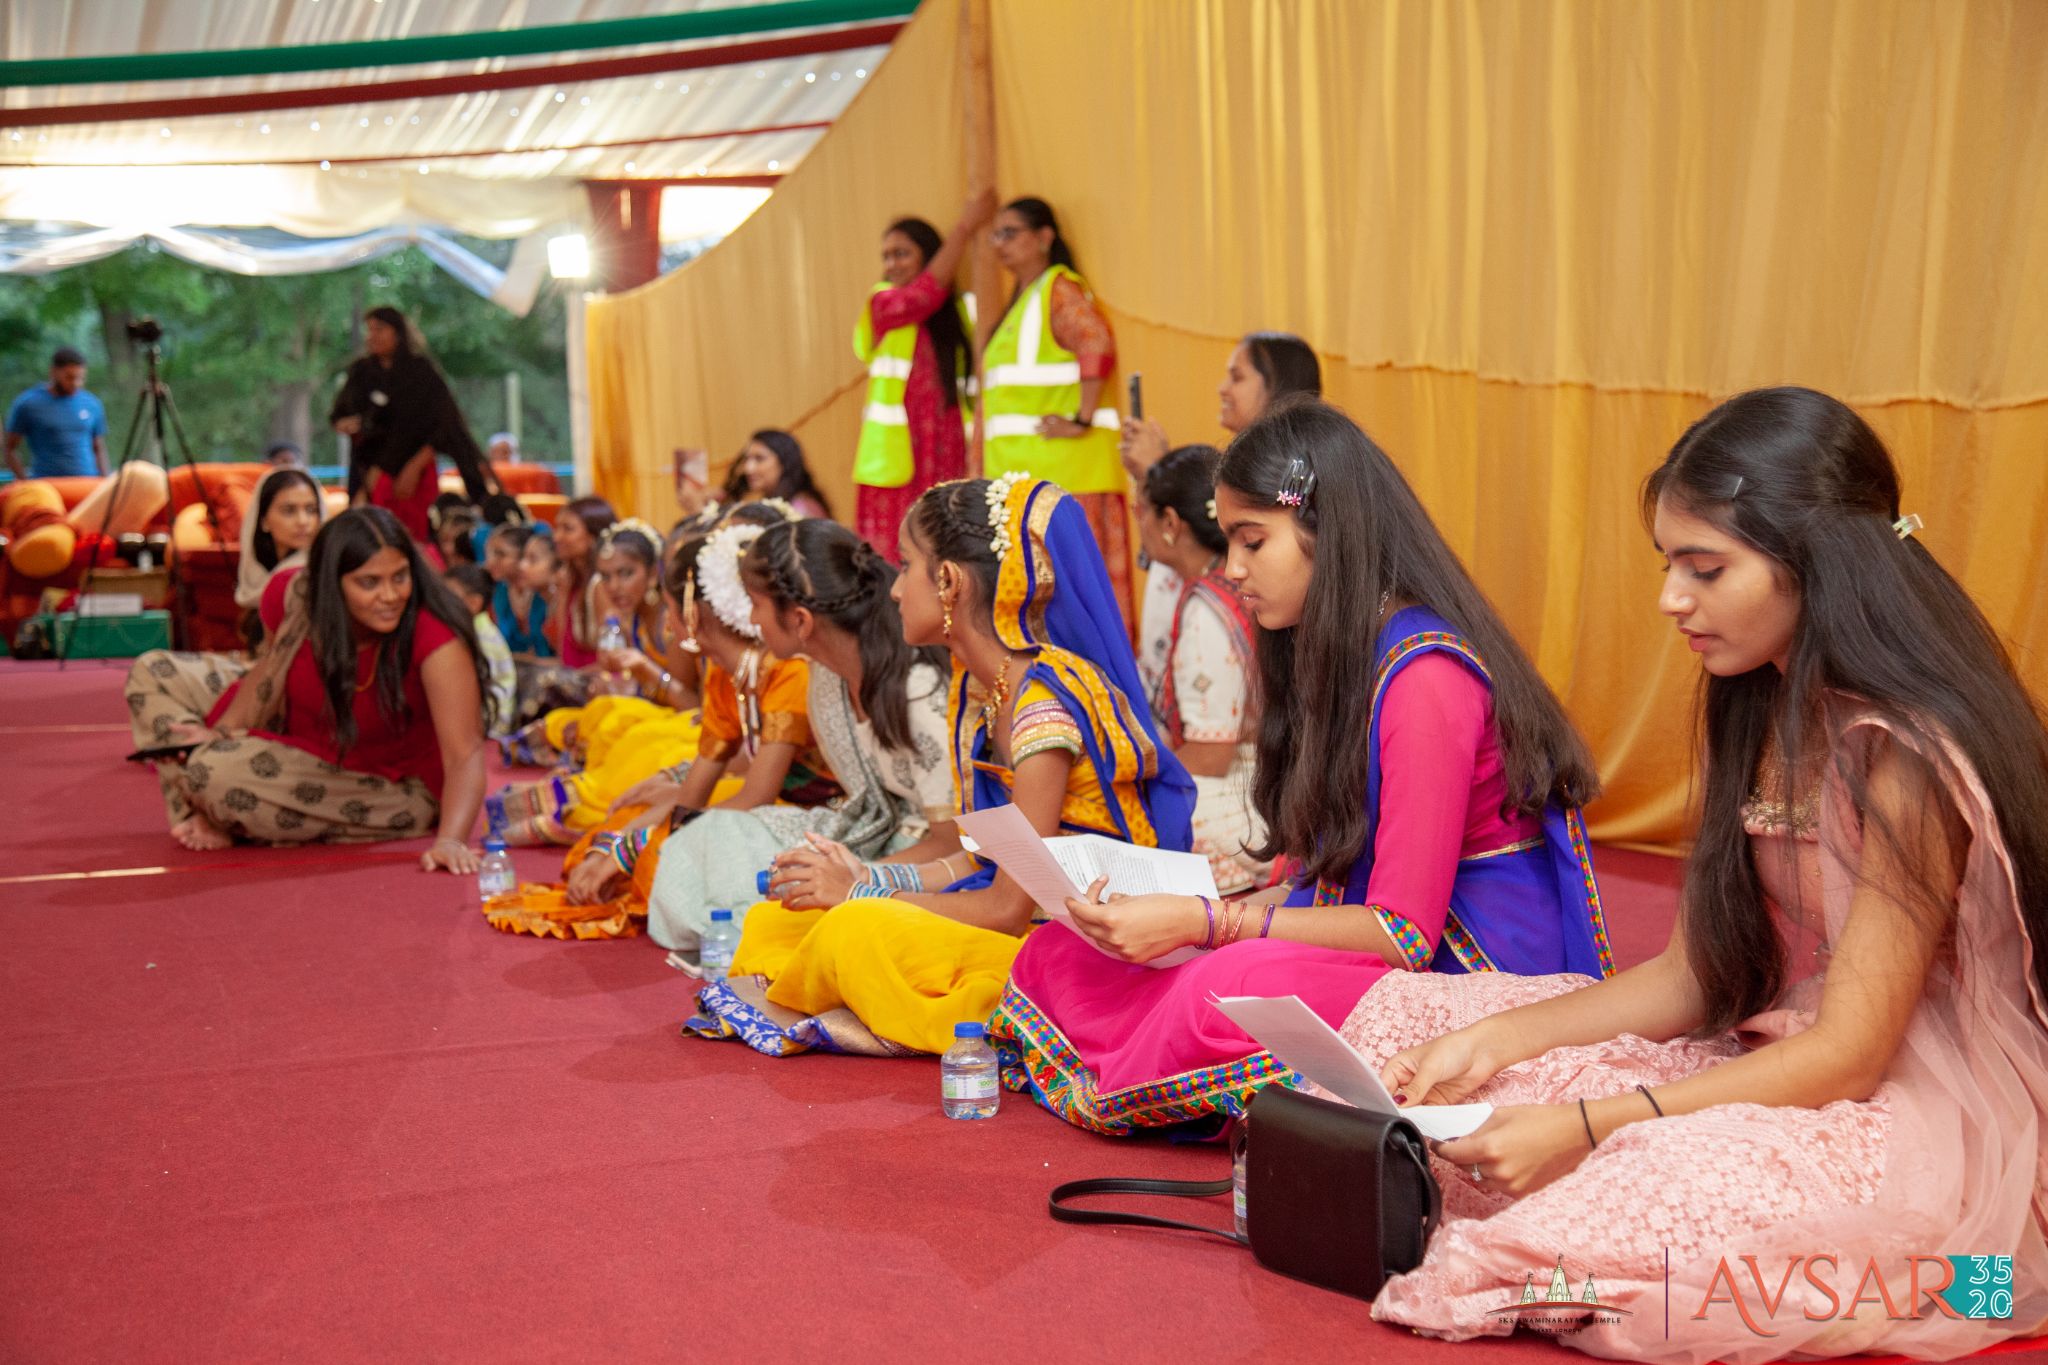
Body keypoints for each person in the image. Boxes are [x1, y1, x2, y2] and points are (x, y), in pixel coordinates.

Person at [1337, 388, 2048, 1359]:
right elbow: (1695, 975)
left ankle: (1577, 1228)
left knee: (1648, 1192)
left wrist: (1581, 1126)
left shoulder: (1902, 758)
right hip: (1781, 1047)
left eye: (1704, 568)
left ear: (1816, 567)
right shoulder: (1751, 698)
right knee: (1408, 1020)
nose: (1671, 598)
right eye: (1669, 564)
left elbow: (1849, 1057)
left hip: (1912, 1108)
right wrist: (1500, 1035)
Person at [989, 401, 1613, 1135]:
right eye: (1229, 541)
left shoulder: (1426, 676)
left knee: (1223, 985)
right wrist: (1198, 917)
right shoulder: (1337, 646)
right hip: (1367, 934)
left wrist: (1211, 921)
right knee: (1062, 947)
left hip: (1468, 966)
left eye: (1254, 540)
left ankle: (1145, 1065)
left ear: (1330, 533)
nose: (1232, 568)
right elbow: (1335, 870)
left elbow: (1403, 933)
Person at [689, 475, 1197, 1058]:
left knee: (855, 931)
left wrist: (858, 895)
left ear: (949, 583)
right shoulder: (986, 691)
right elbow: (981, 856)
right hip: (1009, 911)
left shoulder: (1042, 710)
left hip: (1066, 943)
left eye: (906, 567)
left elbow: (1007, 908)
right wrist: (873, 877)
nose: (896, 589)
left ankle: (889, 1011)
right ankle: (861, 1004)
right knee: (775, 923)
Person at [483, 520, 838, 935]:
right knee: (624, 826)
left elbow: (755, 795)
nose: (669, 623)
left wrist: (637, 847)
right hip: (753, 805)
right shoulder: (724, 676)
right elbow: (692, 796)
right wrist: (623, 842)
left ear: (692, 613)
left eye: (672, 609)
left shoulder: (789, 672)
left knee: (658, 859)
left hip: (805, 813)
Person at [632, 519, 956, 957]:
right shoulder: (826, 676)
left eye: (756, 604)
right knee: (709, 837)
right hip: (870, 829)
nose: (749, 619)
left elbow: (952, 844)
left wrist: (859, 877)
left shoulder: (915, 694)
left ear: (800, 620)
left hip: (928, 861)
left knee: (779, 917)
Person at [131, 506, 492, 871]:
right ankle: (205, 810)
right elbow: (269, 673)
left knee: (212, 770)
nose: (390, 595)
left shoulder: (435, 636)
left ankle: (215, 806)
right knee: (153, 671)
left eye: (400, 577)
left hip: (386, 785)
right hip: (296, 732)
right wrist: (221, 731)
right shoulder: (295, 595)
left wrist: (450, 840)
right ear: (332, 584)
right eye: (369, 582)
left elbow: (464, 755)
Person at [1120, 332, 1322, 696]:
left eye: (1237, 377)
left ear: (1278, 386)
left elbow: (1203, 548)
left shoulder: (1301, 474)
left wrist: (1158, 476)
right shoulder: (1237, 471)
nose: (1222, 388)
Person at [980, 197, 1133, 619]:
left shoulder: (1056, 288)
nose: (1000, 243)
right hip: (1034, 479)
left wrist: (1081, 418)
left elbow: (1095, 341)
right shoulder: (1024, 299)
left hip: (1068, 480)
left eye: (1010, 232)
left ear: (1045, 237)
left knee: (1077, 609)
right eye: (996, 234)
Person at [1129, 445, 1268, 893]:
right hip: (1268, 775)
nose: (1140, 529)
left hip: (1247, 788)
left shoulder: (1208, 607)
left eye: (1143, 515)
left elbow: (1213, 754)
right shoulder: (1233, 583)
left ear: (1170, 523)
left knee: (1132, 824)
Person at [850, 195, 995, 556]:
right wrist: (964, 228)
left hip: (946, 445)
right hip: (898, 456)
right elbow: (923, 296)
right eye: (886, 256)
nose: (891, 264)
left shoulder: (963, 311)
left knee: (946, 550)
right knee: (898, 557)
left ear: (927, 256)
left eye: (901, 253)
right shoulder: (883, 303)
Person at [327, 306, 500, 544]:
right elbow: (340, 415)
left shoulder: (421, 372)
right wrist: (348, 424)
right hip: (369, 466)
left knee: (416, 536)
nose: (372, 336)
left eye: (380, 329)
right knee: (369, 533)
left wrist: (414, 465)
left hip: (415, 467)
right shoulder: (362, 371)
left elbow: (444, 424)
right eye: (369, 330)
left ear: (398, 332)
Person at [235, 466, 326, 648]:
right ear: (264, 521)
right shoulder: (259, 573)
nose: (303, 521)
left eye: (311, 510)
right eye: (289, 510)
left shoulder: (312, 574)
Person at [6, 346, 107, 480]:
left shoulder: (92, 404)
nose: (76, 383)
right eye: (69, 378)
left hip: (87, 483)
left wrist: (105, 480)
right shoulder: (28, 404)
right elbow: (9, 448)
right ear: (53, 372)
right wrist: (25, 482)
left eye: (80, 378)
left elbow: (98, 447)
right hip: (48, 485)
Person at [443, 562, 518, 734]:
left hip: (491, 725)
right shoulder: (469, 631)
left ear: (473, 603)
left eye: (448, 597)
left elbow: (480, 693)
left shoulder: (483, 639)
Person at [545, 495, 617, 670]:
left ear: (594, 536)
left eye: (568, 529)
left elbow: (612, 660)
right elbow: (563, 649)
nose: (556, 537)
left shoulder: (601, 584)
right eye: (557, 528)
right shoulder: (570, 579)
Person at [720, 430, 832, 520]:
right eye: (746, 460)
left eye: (759, 458)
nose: (748, 469)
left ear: (785, 463)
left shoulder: (801, 509)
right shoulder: (771, 501)